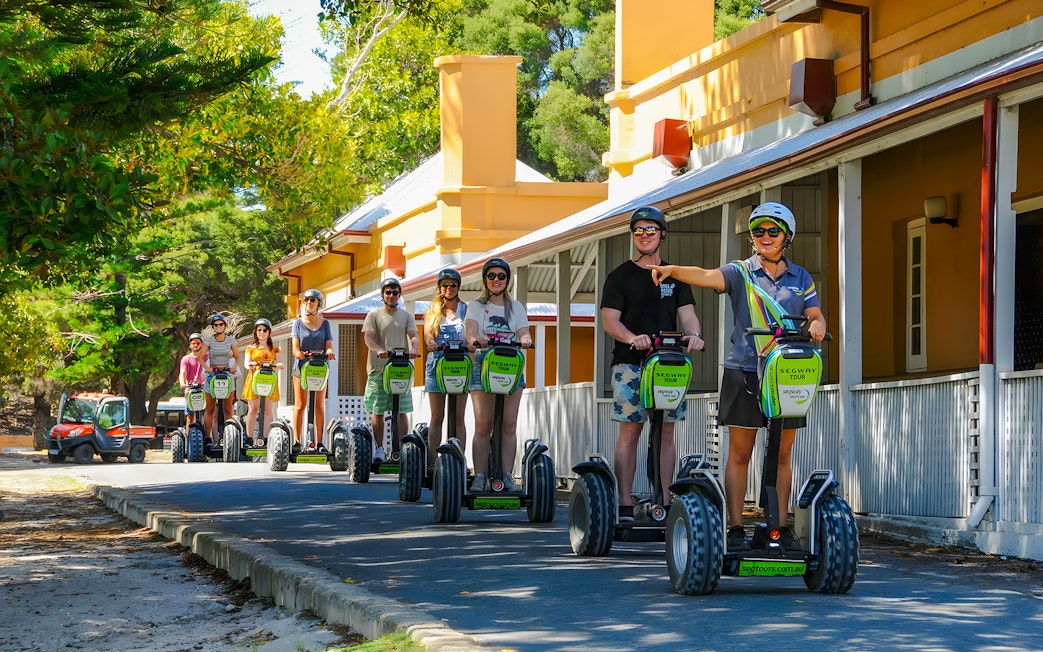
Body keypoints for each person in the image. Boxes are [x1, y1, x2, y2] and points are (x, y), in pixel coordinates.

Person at [651, 201, 826, 551]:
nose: (764, 236)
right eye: (758, 230)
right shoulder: (740, 272)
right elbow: (705, 275)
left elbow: (815, 314)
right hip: (744, 370)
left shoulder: (801, 277)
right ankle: (735, 528)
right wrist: (673, 270)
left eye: (772, 231)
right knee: (740, 453)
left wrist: (818, 326)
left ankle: (777, 526)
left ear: (786, 237)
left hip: (785, 374)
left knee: (782, 454)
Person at [602, 206, 705, 521]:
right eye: (638, 230)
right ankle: (623, 502)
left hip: (668, 365)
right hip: (631, 364)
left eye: (651, 230)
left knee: (667, 432)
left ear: (662, 234)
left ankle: (664, 502)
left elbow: (688, 316)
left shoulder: (674, 276)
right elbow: (610, 321)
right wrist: (633, 337)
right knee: (630, 431)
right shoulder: (620, 276)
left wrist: (695, 336)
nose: (644, 236)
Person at [464, 258, 532, 493]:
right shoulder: (475, 306)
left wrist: (525, 338)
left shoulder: (516, 307)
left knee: (509, 424)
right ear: (485, 279)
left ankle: (506, 476)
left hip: (511, 365)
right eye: (491, 276)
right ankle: (480, 476)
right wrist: (475, 340)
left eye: (501, 276)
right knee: (483, 424)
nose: (496, 280)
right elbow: (470, 331)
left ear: (507, 279)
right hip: (484, 363)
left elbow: (524, 330)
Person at [362, 277, 420, 461]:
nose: (392, 295)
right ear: (382, 295)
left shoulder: (406, 316)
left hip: (400, 369)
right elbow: (368, 338)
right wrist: (379, 349)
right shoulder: (373, 315)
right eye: (388, 292)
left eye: (395, 292)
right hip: (379, 369)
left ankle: (401, 449)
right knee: (378, 411)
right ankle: (379, 449)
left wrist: (414, 348)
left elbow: (413, 335)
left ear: (399, 295)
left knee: (402, 411)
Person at [423, 268, 469, 469]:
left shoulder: (466, 310)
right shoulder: (432, 311)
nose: (449, 288)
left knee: (459, 415)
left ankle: (459, 459)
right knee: (437, 416)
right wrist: (431, 342)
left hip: (460, 364)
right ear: (439, 288)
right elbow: (427, 334)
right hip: (437, 363)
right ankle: (433, 463)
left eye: (453, 285)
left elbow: (473, 332)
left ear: (458, 287)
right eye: (445, 285)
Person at [291, 289, 335, 452]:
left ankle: (319, 442)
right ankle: (296, 441)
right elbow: (295, 348)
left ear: (318, 304)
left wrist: (330, 353)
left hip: (319, 367)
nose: (309, 302)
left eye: (312, 300)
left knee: (319, 405)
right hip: (302, 367)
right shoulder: (297, 323)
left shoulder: (325, 323)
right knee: (300, 404)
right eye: (306, 300)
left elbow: (329, 346)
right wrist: (299, 354)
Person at [241, 318, 283, 444]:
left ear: (269, 332)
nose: (262, 333)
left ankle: (265, 438)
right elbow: (246, 363)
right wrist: (252, 364)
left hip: (269, 380)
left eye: (264, 330)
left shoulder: (275, 349)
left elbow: (280, 362)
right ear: (256, 332)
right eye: (259, 330)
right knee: (253, 408)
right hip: (255, 379)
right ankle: (249, 438)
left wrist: (278, 365)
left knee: (268, 410)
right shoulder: (251, 348)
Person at [201, 313, 240, 446]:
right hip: (213, 375)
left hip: (226, 374)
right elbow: (200, 357)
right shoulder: (208, 341)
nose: (218, 327)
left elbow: (237, 357)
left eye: (221, 324)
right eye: (216, 325)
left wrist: (234, 366)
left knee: (228, 409)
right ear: (213, 327)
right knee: (210, 408)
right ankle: (207, 438)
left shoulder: (231, 340)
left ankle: (230, 438)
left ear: (225, 326)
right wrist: (207, 368)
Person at [179, 333, 208, 426]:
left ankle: (208, 437)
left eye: (198, 343)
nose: (195, 345)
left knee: (208, 414)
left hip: (204, 389)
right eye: (193, 343)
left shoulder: (207, 358)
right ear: (190, 345)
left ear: (202, 344)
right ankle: (189, 437)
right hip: (190, 389)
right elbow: (182, 372)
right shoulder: (186, 359)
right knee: (190, 415)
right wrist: (183, 383)